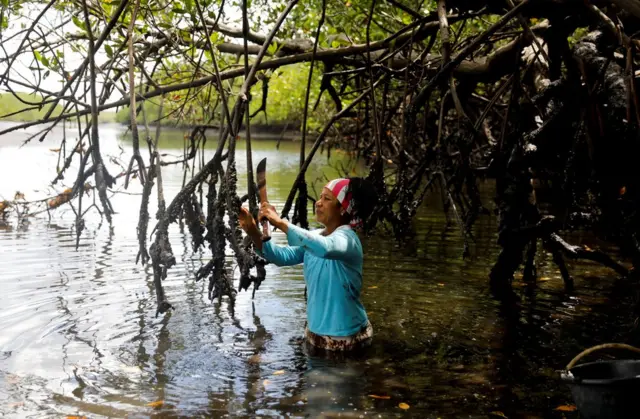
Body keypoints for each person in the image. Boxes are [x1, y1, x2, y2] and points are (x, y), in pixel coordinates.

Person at [238, 177, 378, 351]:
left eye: (327, 199)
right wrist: (252, 230)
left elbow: (326, 248)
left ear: (343, 209)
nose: (318, 203)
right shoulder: (317, 236)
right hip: (315, 336)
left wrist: (281, 223)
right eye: (320, 197)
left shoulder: (349, 240)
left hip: (349, 340)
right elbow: (280, 256)